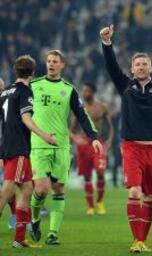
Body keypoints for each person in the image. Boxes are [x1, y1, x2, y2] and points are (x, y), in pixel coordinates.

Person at [100, 24, 152, 252]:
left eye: (144, 63)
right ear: (132, 68)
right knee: (135, 192)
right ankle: (136, 240)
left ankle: (142, 240)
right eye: (137, 64)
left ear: (151, 67)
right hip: (132, 147)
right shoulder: (125, 85)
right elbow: (111, 66)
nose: (140, 67)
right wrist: (107, 43)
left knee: (149, 198)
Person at [29, 50, 103, 245]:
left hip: (61, 146)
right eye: (48, 61)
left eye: (55, 61)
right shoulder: (34, 85)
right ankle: (35, 219)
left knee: (59, 190)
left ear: (62, 65)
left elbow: (81, 114)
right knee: (42, 189)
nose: (51, 64)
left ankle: (53, 234)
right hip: (38, 145)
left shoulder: (69, 89)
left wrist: (93, 136)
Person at [0, 55, 57, 248]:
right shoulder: (25, 92)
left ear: (16, 71)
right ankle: (20, 237)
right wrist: (45, 136)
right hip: (18, 147)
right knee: (7, 191)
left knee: (26, 189)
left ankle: (20, 239)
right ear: (33, 73)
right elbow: (26, 119)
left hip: (7, 146)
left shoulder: (5, 91)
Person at [71, 82, 113, 215]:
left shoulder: (101, 107)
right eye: (83, 91)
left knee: (100, 172)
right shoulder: (80, 107)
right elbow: (72, 129)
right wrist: (75, 138)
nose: (84, 93)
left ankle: (99, 202)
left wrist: (109, 142)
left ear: (93, 92)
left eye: (87, 91)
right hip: (84, 144)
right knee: (87, 176)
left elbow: (110, 126)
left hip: (98, 142)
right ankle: (90, 206)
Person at [0, 78, 17, 230]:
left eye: (2, 89)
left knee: (8, 187)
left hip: (5, 151)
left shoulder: (6, 104)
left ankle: (14, 215)